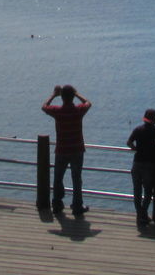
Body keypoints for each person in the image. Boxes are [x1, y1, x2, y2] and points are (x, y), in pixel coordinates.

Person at [41, 84, 92, 217]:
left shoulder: (58, 112)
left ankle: (57, 205)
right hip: (77, 149)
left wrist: (53, 95)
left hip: (62, 149)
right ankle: (77, 206)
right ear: (72, 97)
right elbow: (88, 103)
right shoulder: (78, 110)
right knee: (76, 179)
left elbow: (44, 107)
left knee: (58, 178)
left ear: (62, 97)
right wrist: (77, 93)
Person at [126, 109, 155, 227]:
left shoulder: (138, 129)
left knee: (137, 191)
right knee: (148, 192)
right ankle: (142, 214)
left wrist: (135, 149)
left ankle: (140, 215)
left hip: (137, 163)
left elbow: (129, 143)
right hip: (149, 165)